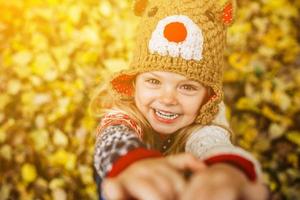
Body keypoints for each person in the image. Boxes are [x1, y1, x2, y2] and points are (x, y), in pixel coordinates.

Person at [90, 0, 269, 199]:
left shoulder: (206, 119)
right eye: (153, 81)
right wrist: (132, 162)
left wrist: (226, 168)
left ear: (207, 96)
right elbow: (113, 137)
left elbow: (213, 143)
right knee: (114, 180)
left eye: (187, 87)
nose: (167, 99)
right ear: (134, 83)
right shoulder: (125, 111)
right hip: (126, 174)